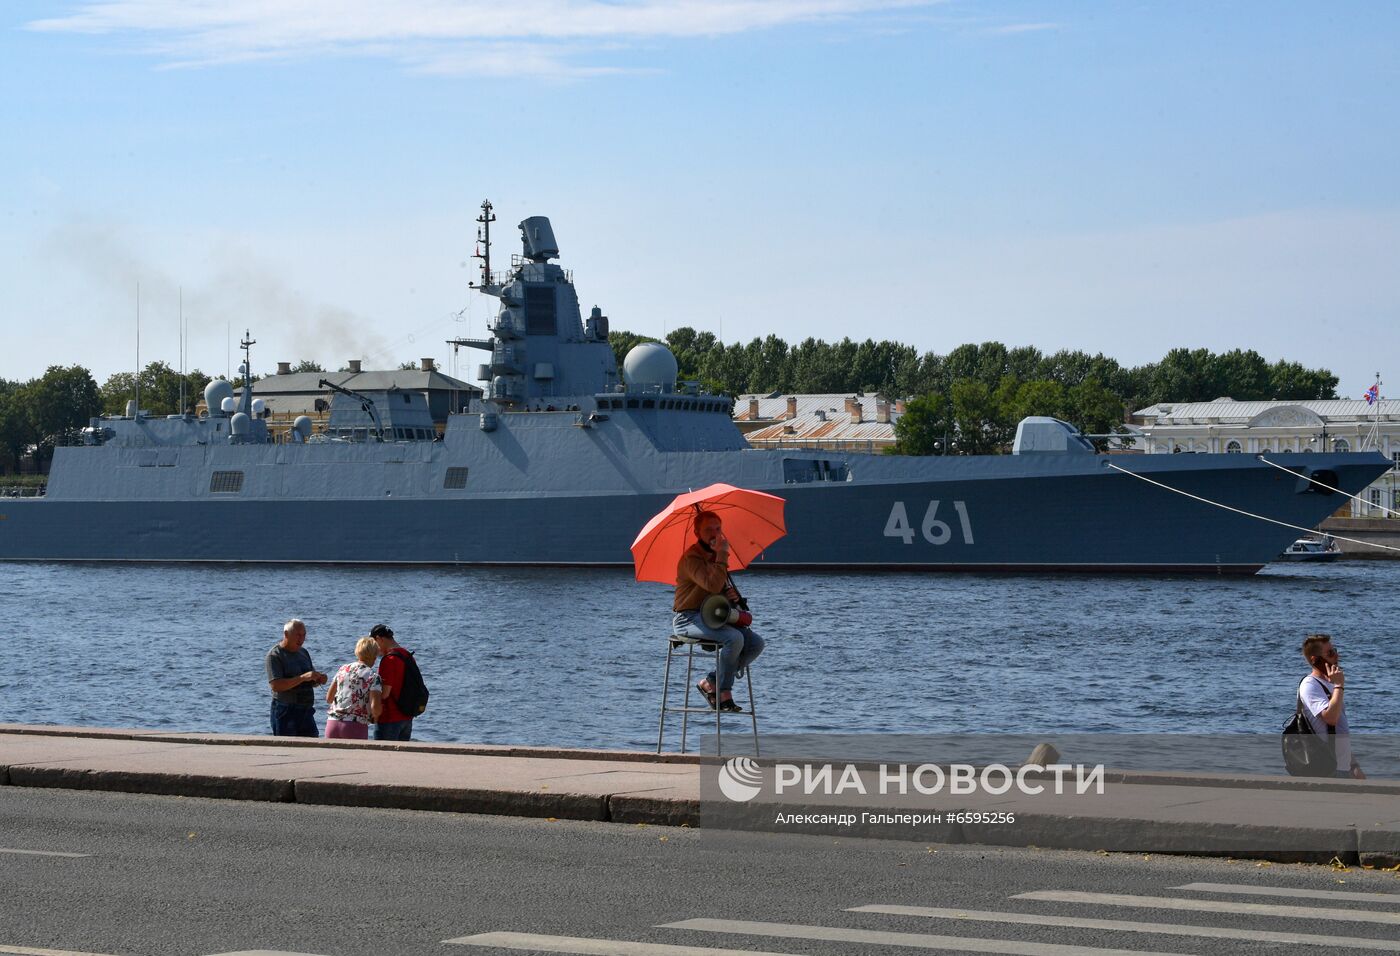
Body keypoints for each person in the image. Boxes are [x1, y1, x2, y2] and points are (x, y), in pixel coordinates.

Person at [672, 510, 765, 712]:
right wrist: (722, 554)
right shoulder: (692, 559)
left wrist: (730, 597)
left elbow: (715, 594)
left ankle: (710, 681)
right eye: (708, 530)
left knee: (756, 643)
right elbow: (711, 585)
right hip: (688, 619)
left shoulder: (714, 557)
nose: (715, 533)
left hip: (710, 616)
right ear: (697, 533)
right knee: (734, 639)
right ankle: (724, 692)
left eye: (718, 528)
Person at [1299, 633, 1365, 779]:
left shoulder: (1330, 685)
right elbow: (1331, 718)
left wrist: (1353, 765)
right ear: (1315, 660)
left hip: (1343, 766)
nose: (1336, 656)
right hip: (1328, 767)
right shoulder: (1310, 685)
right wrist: (1339, 685)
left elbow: (1339, 727)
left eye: (1335, 650)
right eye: (1330, 653)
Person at [266, 618, 327, 737]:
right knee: (287, 748)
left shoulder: (303, 652)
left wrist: (318, 679)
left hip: (306, 711)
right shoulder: (275, 655)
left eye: (304, 635)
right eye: (298, 635)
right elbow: (276, 685)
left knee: (312, 747)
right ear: (286, 634)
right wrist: (303, 678)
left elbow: (309, 679)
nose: (301, 639)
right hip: (286, 710)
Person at [324, 637, 383, 740]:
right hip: (355, 726)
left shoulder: (343, 669)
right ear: (374, 656)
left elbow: (329, 698)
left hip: (332, 723)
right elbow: (375, 709)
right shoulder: (373, 676)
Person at [371, 624, 417, 741]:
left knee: (382, 757)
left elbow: (385, 693)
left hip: (390, 718)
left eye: (374, 643)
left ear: (379, 639)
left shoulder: (389, 660)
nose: (375, 649)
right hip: (407, 716)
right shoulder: (407, 655)